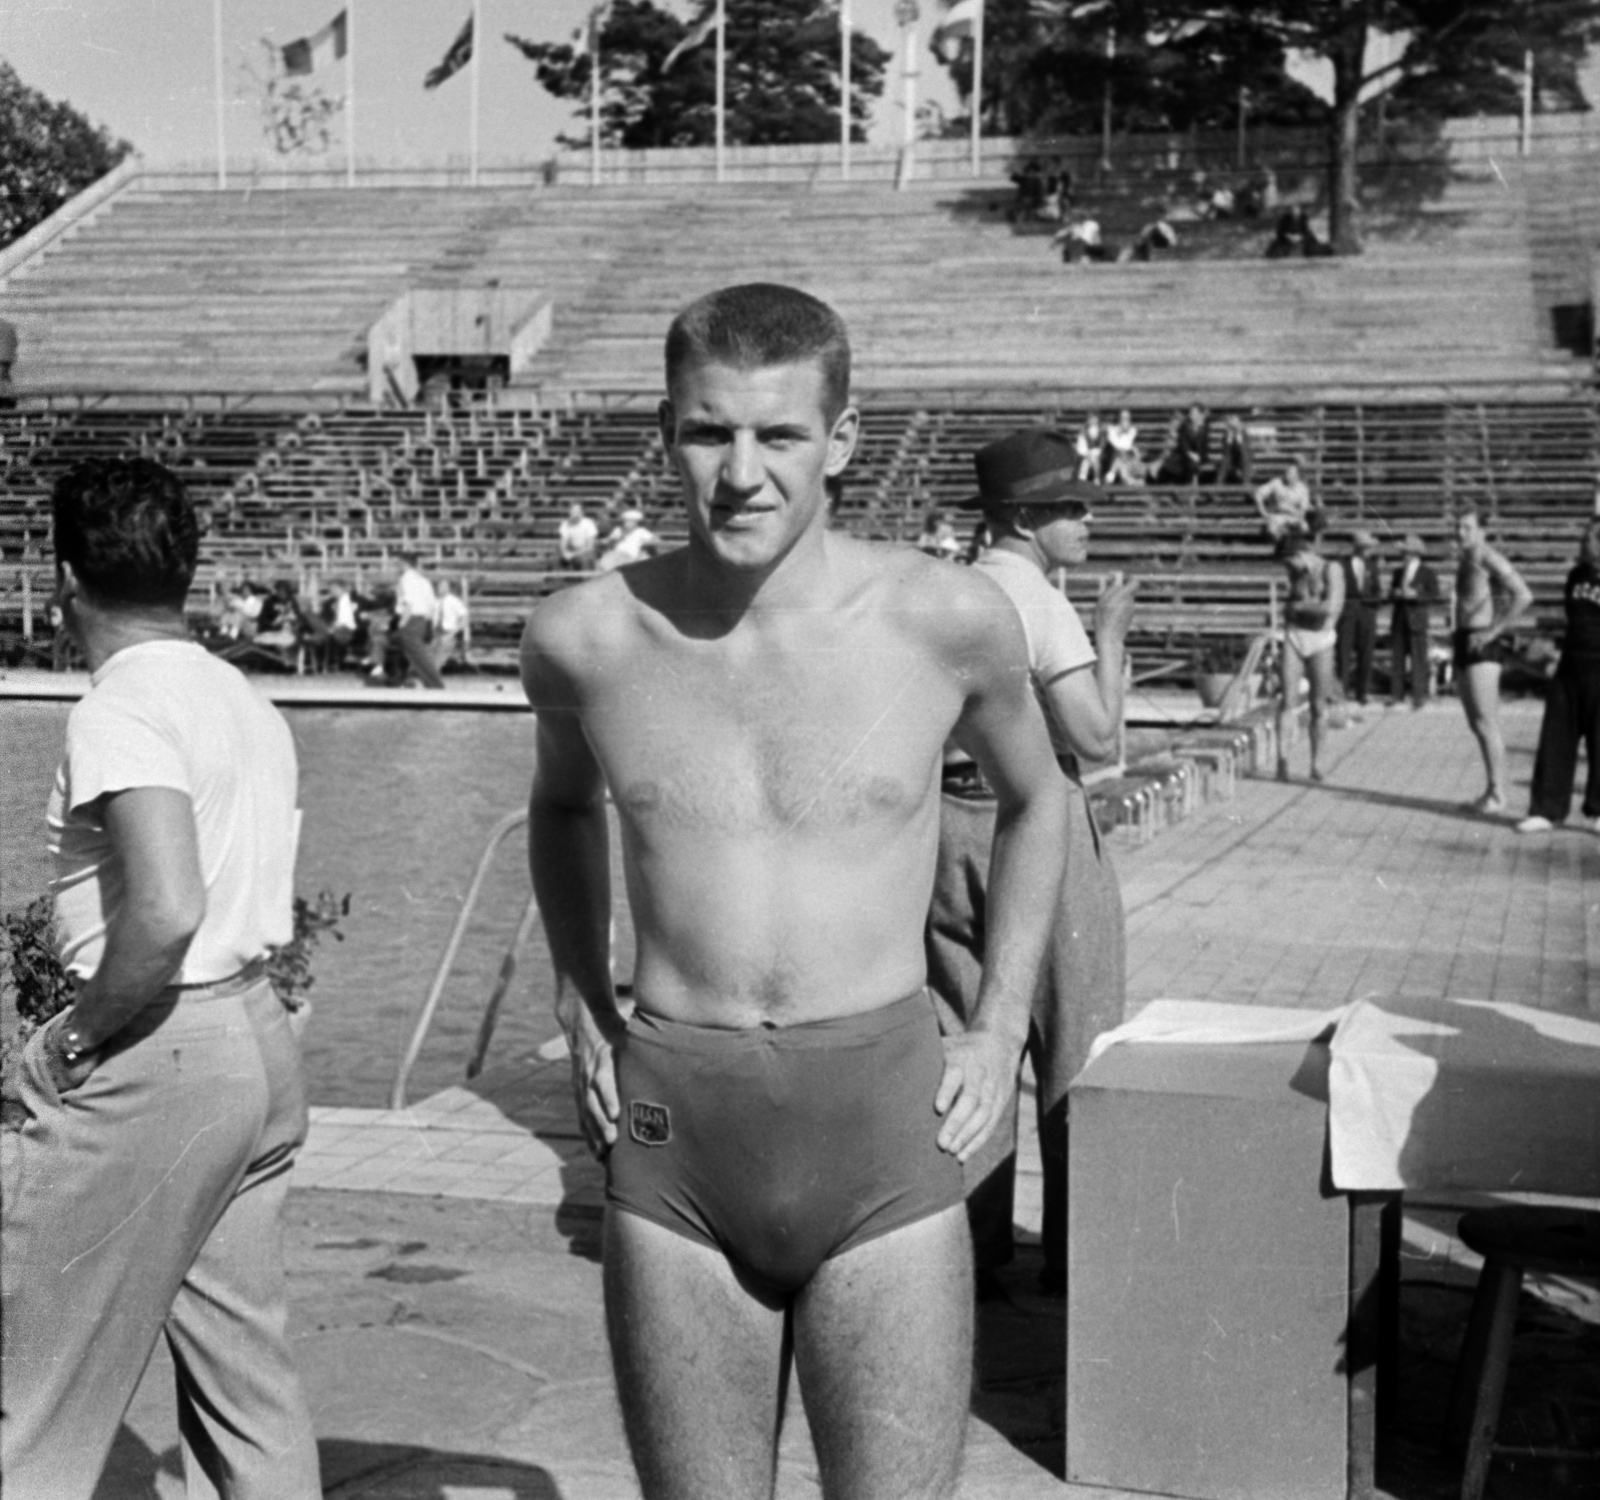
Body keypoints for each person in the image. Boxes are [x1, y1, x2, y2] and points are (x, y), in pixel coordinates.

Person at [519, 282, 1069, 1500]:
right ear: (666, 431)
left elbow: (1043, 801)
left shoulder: (944, 618)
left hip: (879, 1126)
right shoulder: (583, 640)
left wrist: (999, 1023)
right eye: (709, 432)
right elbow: (560, 808)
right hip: (677, 1134)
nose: (741, 473)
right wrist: (577, 1001)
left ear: (844, 438)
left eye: (779, 435)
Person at [1, 457, 321, 1498]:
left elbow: (170, 907)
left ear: (60, 578)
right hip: (255, 1045)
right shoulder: (240, 698)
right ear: (185, 570)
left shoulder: (121, 709)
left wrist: (75, 1038)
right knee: (247, 1391)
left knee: (38, 1394)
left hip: (159, 1048)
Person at [929, 429, 1136, 1299]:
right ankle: (1073, 1256)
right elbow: (1096, 738)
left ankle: (968, 1254)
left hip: (943, 827)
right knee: (1073, 1039)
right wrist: (1111, 633)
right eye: (1067, 506)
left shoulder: (943, 588)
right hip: (1034, 820)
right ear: (1023, 517)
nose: (1085, 519)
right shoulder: (1037, 600)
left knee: (961, 1037)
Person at [1518, 520, 1600, 833]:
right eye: (1584, 539)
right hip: (1571, 667)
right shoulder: (1575, 577)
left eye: (1590, 540)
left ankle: (1598, 810)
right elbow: (1573, 617)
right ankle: (1546, 809)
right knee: (1556, 737)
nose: (1583, 544)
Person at [1453, 509, 1534, 813]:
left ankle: (1499, 794)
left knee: (1487, 723)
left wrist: (1491, 632)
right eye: (1458, 526)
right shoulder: (1465, 559)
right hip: (1464, 640)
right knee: (1476, 724)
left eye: (1467, 527)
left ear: (1482, 530)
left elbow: (1524, 596)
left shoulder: (1490, 558)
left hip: (1482, 644)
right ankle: (1491, 789)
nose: (1460, 532)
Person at [1276, 527, 1344, 783]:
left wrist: (1300, 606)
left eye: (1290, 561)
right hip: (1295, 635)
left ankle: (1316, 762)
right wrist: (1296, 608)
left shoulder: (1331, 570)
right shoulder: (1295, 572)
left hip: (1321, 639)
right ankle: (1281, 761)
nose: (1288, 568)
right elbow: (1289, 608)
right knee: (1287, 701)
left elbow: (1330, 608)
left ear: (1302, 554)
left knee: (1318, 704)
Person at [1389, 534, 1440, 710]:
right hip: (1399, 618)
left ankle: (1418, 697)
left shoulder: (1427, 572)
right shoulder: (1398, 572)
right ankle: (1397, 695)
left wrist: (1416, 595)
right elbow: (1390, 593)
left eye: (1406, 552)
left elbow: (1434, 593)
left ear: (1414, 554)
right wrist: (1395, 593)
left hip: (1417, 619)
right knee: (1397, 659)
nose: (1403, 555)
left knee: (1418, 659)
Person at [1336, 529, 1383, 707]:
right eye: (1364, 547)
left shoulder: (1372, 566)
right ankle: (1342, 691)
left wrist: (1373, 602)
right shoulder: (1342, 564)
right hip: (1347, 611)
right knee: (1343, 653)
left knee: (1366, 653)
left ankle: (1362, 692)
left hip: (1367, 612)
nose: (1366, 550)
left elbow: (1377, 590)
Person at [394, 548, 445, 689]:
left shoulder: (405, 579)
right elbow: (432, 604)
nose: (396, 566)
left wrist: (402, 624)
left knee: (418, 655)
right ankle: (421, 681)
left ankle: (435, 684)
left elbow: (409, 603)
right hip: (422, 620)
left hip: (411, 619)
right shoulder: (423, 580)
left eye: (398, 563)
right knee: (416, 654)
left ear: (404, 563)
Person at [1254, 458, 1313, 541]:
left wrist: (1297, 516)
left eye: (1291, 473)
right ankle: (1280, 548)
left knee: (1303, 527)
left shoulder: (1302, 489)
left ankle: (1294, 548)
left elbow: (1303, 509)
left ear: (1297, 475)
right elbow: (1259, 493)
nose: (1288, 474)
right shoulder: (1276, 483)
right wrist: (1263, 512)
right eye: (1287, 472)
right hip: (1277, 515)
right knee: (1272, 529)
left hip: (1294, 517)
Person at [596, 508, 661, 572]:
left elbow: (655, 540)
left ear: (635, 522)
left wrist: (645, 545)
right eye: (626, 521)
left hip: (630, 557)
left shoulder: (641, 531)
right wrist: (609, 541)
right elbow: (608, 541)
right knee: (604, 561)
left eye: (630, 521)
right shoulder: (618, 530)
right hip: (615, 554)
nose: (626, 523)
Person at [435, 578, 471, 671]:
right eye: (440, 586)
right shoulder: (435, 602)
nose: (441, 588)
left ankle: (434, 673)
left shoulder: (454, 601)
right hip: (435, 631)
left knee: (441, 653)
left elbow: (465, 618)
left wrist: (454, 632)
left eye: (444, 586)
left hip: (448, 631)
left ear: (448, 588)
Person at [1104, 409, 1143, 486]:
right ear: (1119, 419)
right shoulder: (1112, 429)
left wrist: (1132, 450)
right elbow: (1114, 444)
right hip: (1116, 455)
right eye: (1123, 418)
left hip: (1129, 457)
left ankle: (1111, 477)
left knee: (1120, 458)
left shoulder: (1133, 431)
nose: (1125, 421)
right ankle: (1127, 479)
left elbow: (1133, 446)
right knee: (1119, 457)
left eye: (1127, 418)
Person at [558, 501, 600, 571]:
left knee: (585, 559)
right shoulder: (565, 523)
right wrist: (565, 552)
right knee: (557, 556)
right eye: (573, 510)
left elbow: (590, 547)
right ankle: (556, 580)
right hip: (571, 549)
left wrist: (573, 554)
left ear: (582, 512)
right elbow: (563, 543)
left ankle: (587, 580)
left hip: (585, 551)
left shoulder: (589, 523)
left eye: (577, 511)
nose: (575, 513)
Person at [1215, 412, 1254, 487]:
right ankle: (1218, 486)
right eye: (1231, 421)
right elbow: (1225, 452)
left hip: (1243, 458)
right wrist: (1228, 441)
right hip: (1231, 459)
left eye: (1235, 420)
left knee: (1245, 458)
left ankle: (1246, 485)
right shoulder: (1227, 433)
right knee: (1225, 460)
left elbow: (1247, 450)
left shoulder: (1244, 432)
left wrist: (1240, 441)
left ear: (1239, 422)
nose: (1233, 423)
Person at [1074, 412, 1106, 482]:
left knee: (1093, 458)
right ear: (1088, 420)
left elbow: (1102, 445)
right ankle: (1092, 479)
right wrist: (1087, 453)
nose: (1093, 421)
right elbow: (1080, 446)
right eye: (1091, 419)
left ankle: (1087, 478)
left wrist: (1098, 452)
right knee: (1086, 461)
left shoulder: (1101, 431)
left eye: (1095, 419)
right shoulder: (1084, 432)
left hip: (1098, 454)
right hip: (1086, 454)